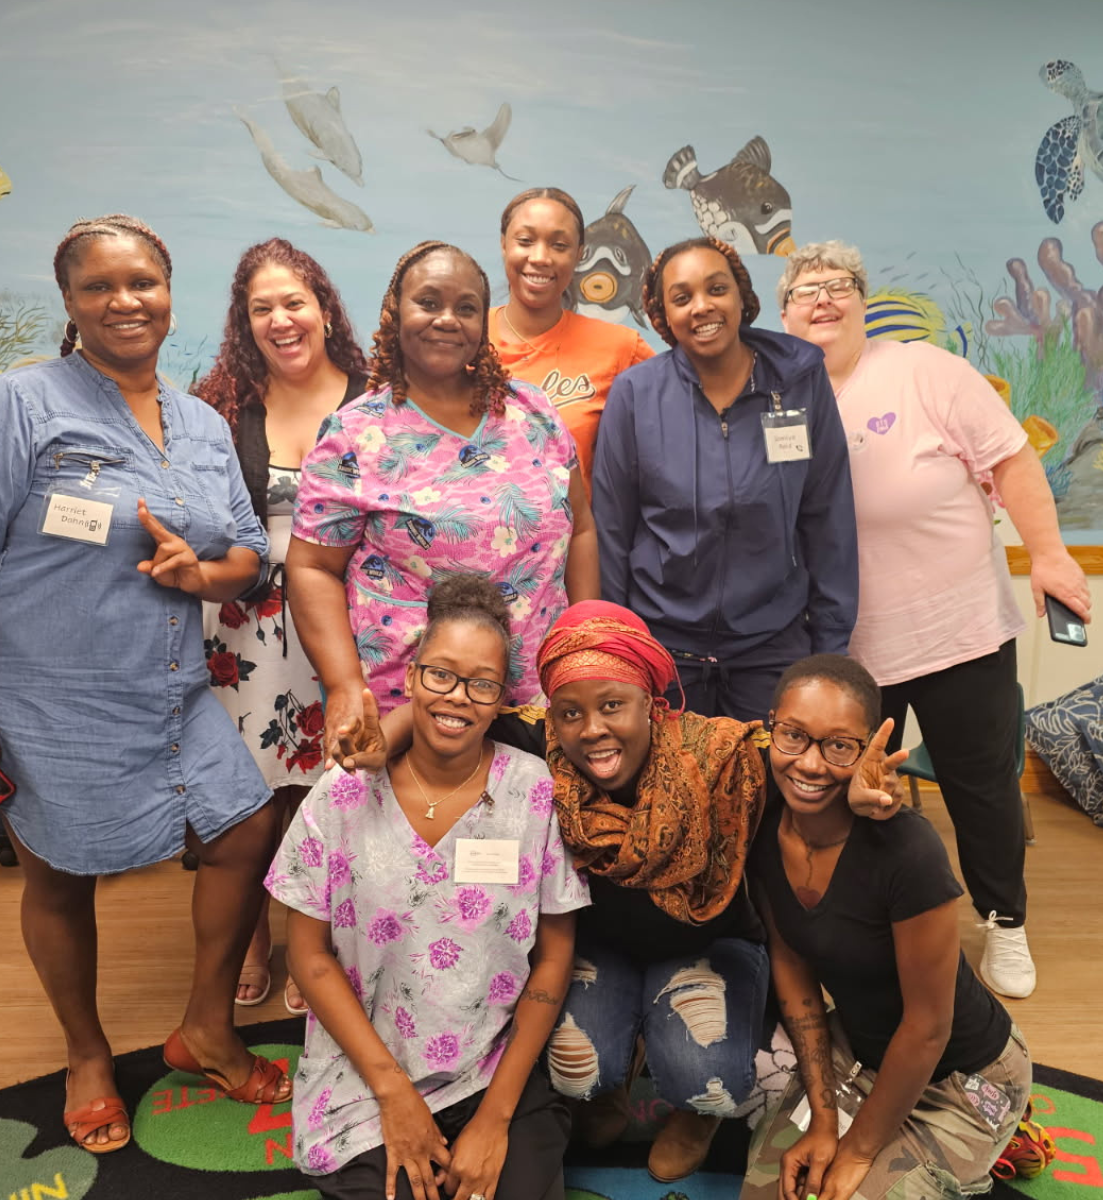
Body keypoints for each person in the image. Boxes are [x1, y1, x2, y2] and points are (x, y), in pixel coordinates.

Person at [0, 214, 291, 1155]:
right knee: (62, 873)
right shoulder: (12, 407)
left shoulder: (199, 421)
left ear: (170, 291)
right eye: (100, 287)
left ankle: (205, 1027)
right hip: (48, 697)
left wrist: (205, 576)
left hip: (168, 690)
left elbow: (244, 550)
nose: (126, 301)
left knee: (244, 830)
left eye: (143, 283)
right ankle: (85, 1053)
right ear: (70, 302)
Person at [351, 600, 904, 1184]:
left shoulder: (722, 758)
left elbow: (805, 765)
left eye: (613, 705)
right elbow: (464, 705)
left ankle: (697, 1113)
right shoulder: (547, 748)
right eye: (570, 712)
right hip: (602, 951)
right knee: (576, 1069)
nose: (592, 729)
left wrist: (858, 795)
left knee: (705, 1072)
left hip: (711, 945)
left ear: (651, 702)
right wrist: (379, 742)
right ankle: (608, 1083)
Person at [778, 240, 1093, 998]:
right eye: (805, 290)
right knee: (844, 789)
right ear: (784, 312)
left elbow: (1014, 462)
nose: (824, 299)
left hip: (957, 628)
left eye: (839, 285)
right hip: (845, 645)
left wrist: (1046, 553)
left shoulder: (926, 371)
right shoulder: (779, 394)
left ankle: (1003, 921)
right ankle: (860, 922)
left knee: (979, 785)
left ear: (862, 299)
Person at [267, 574, 589, 1200]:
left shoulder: (534, 792)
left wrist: (495, 1120)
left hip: (491, 1070)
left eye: (482, 684)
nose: (457, 697)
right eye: (440, 674)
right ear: (410, 677)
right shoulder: (342, 795)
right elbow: (308, 956)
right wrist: (395, 1096)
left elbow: (553, 960)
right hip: (366, 1072)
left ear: (503, 700)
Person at [287, 239, 599, 763]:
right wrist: (342, 685)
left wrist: (584, 648)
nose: (447, 319)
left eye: (466, 307)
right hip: (409, 710)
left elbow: (582, 527)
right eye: (428, 302)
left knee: (529, 841)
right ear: (395, 313)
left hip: (537, 701)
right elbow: (312, 566)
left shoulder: (534, 413)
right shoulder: (355, 433)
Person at [741, 655, 1029, 1200]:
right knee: (769, 1191)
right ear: (770, 724)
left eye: (839, 745)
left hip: (964, 1076)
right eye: (794, 735)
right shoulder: (760, 825)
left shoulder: (908, 850)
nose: (810, 763)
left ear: (869, 746)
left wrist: (858, 1149)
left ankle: (978, 1152)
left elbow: (928, 1029)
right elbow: (794, 973)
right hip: (862, 1054)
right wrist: (825, 1122)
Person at [195, 238, 368, 1013]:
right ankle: (251, 939)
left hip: (342, 625)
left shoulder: (378, 397)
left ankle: (313, 946)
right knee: (248, 799)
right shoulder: (223, 406)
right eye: (261, 308)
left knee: (330, 795)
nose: (280, 319)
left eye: (293, 302)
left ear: (324, 308)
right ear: (244, 322)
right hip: (245, 634)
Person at [592, 236, 858, 722]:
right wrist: (618, 649)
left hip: (772, 650)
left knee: (766, 793)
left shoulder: (799, 383)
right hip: (662, 649)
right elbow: (611, 530)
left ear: (742, 297)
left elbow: (828, 519)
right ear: (662, 315)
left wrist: (830, 652)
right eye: (682, 297)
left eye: (717, 288)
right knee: (670, 795)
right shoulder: (636, 394)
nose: (702, 307)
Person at [488, 187, 655, 494]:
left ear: (579, 255)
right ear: (503, 245)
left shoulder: (621, 347)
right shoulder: (461, 339)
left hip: (578, 539)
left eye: (559, 245)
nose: (539, 257)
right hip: (460, 539)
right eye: (525, 241)